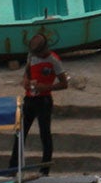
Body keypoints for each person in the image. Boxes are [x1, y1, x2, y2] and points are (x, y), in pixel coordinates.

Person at [19, 32, 68, 174]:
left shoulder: (54, 60)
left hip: (44, 100)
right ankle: (13, 166)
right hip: (29, 98)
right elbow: (27, 72)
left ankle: (44, 169)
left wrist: (47, 87)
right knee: (21, 132)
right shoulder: (32, 56)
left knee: (45, 134)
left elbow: (64, 83)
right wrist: (26, 81)